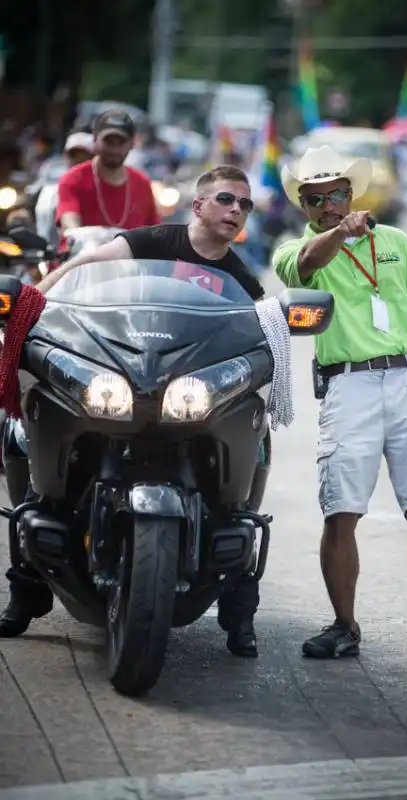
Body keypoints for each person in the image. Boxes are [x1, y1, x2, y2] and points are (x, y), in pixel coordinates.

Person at [0, 165, 266, 660]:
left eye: (245, 205)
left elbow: (262, 327)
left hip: (186, 390)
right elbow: (85, 268)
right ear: (199, 206)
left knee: (256, 448)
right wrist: (37, 302)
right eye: (227, 199)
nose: (236, 211)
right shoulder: (156, 240)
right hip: (130, 368)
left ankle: (239, 610)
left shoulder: (240, 276)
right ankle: (26, 589)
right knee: (22, 440)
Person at [273, 144, 407, 686]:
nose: (328, 205)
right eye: (315, 199)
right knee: (341, 511)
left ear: (351, 192)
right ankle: (344, 626)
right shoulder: (297, 250)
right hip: (349, 384)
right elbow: (307, 266)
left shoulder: (397, 243)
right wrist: (341, 233)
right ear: (305, 206)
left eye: (336, 194)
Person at [56, 109, 160, 234]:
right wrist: (76, 234)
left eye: (121, 142)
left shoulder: (141, 183)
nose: (114, 149)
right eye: (108, 141)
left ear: (132, 144)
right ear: (95, 139)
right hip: (83, 252)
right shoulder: (73, 179)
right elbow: (69, 221)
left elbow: (154, 232)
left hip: (129, 254)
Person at [34, 130, 94, 245]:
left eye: (84, 157)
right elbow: (37, 187)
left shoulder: (100, 186)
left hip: (88, 249)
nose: (78, 161)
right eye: (74, 155)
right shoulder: (52, 168)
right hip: (57, 249)